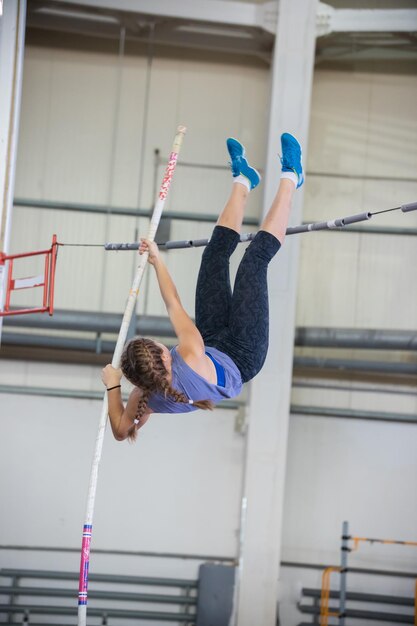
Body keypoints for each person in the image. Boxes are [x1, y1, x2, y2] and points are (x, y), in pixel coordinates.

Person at [102, 133, 304, 441]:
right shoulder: (188, 353)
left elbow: (121, 430)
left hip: (212, 344)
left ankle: (244, 180)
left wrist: (114, 388)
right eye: (160, 347)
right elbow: (173, 303)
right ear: (165, 357)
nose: (163, 345)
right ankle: (292, 176)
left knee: (214, 256)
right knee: (254, 261)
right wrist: (157, 260)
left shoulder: (146, 398)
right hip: (243, 354)